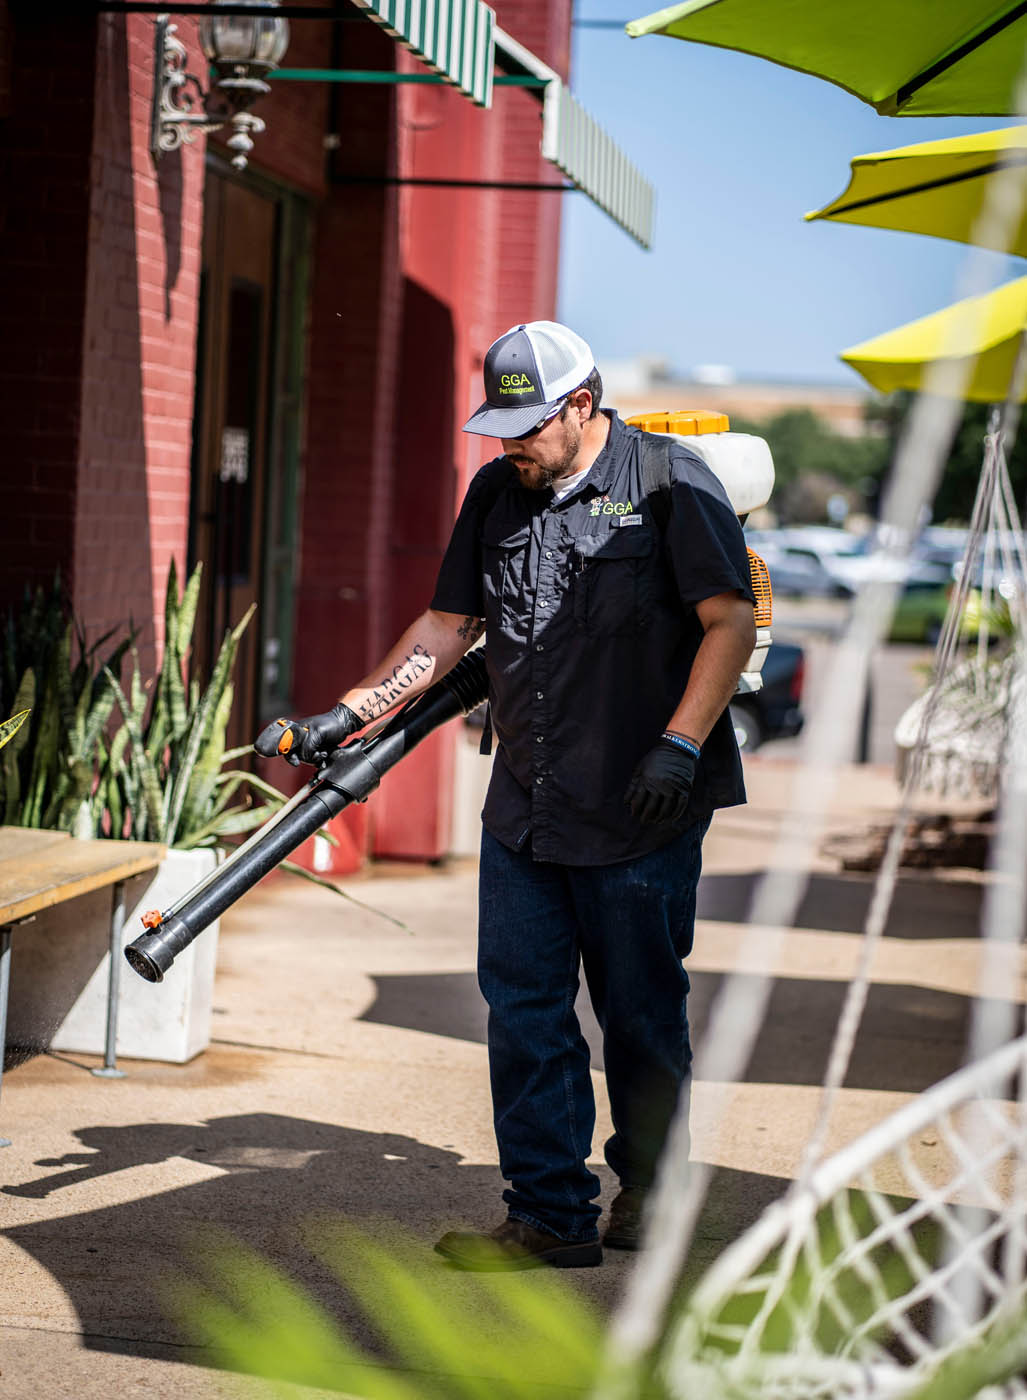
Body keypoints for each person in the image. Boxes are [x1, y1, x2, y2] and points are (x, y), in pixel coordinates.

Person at [255, 321, 757, 1270]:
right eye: (500, 427)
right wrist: (348, 714)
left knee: (639, 1012)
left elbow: (727, 620)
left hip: (643, 799)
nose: (508, 445)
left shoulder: (669, 483)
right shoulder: (497, 492)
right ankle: (548, 1213)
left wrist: (679, 746)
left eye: (526, 427)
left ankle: (650, 1186)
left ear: (580, 405)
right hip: (528, 796)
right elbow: (450, 626)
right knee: (523, 1008)